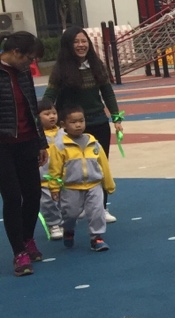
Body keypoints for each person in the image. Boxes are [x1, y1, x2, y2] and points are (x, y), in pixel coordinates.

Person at [46, 26, 120, 222]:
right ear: (68, 45)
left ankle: (100, 208)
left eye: (84, 41)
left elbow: (107, 92)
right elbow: (50, 95)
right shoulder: (61, 69)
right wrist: (44, 116)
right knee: (71, 168)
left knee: (98, 166)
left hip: (98, 122)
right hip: (70, 127)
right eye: (76, 42)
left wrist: (116, 117)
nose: (81, 45)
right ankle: (74, 206)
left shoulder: (96, 65)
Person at [0, 31, 44, 276]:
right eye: (28, 58)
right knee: (12, 197)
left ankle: (28, 238)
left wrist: (41, 142)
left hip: (27, 141)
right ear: (16, 53)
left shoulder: (24, 73)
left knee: (33, 194)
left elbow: (33, 108)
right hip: (3, 145)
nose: (31, 63)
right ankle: (19, 251)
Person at [48, 106, 115, 251]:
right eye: (73, 122)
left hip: (94, 184)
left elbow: (103, 164)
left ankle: (96, 237)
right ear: (63, 125)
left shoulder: (93, 143)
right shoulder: (60, 146)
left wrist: (108, 184)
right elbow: (54, 168)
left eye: (81, 121)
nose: (78, 125)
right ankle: (68, 229)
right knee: (70, 213)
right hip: (71, 187)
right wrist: (54, 187)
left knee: (97, 211)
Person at [37, 97, 62, 240]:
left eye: (54, 113)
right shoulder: (37, 137)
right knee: (48, 202)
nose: (52, 116)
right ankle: (54, 224)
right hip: (45, 177)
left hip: (63, 176)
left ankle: (64, 221)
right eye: (47, 114)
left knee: (64, 201)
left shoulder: (63, 133)